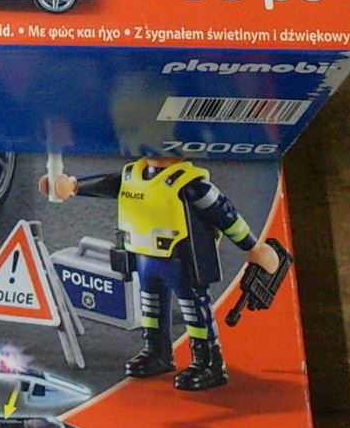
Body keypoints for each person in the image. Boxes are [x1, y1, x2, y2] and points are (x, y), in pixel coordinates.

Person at [40, 158, 282, 391]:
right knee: (150, 307)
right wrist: (72, 186)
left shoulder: (190, 184)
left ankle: (208, 362)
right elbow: (105, 184)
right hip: (144, 258)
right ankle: (157, 352)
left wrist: (252, 246)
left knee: (194, 310)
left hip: (181, 259)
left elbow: (225, 214)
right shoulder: (131, 176)